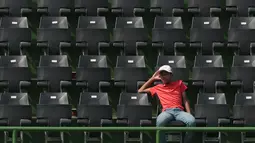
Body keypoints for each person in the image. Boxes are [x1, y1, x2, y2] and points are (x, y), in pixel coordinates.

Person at [138, 65, 195, 143]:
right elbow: (140, 91)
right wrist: (152, 78)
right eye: (161, 75)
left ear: (171, 75)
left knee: (191, 121)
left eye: (165, 74)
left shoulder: (179, 83)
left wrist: (189, 113)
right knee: (160, 122)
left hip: (179, 111)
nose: (163, 76)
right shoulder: (157, 87)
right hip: (166, 111)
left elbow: (185, 100)